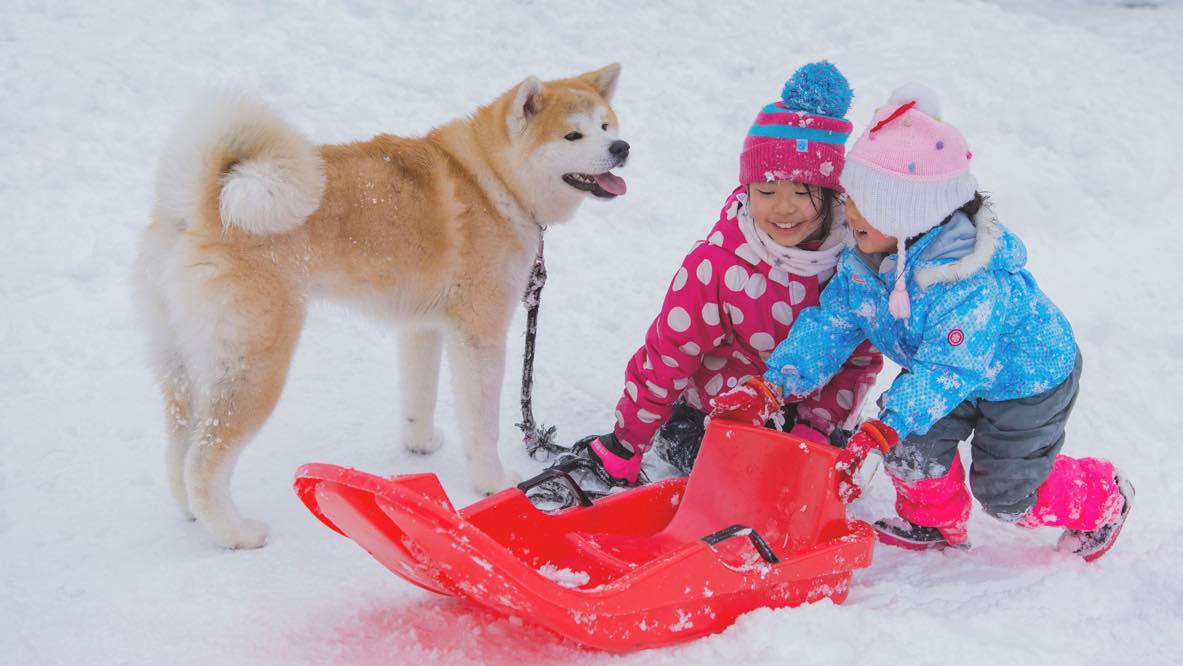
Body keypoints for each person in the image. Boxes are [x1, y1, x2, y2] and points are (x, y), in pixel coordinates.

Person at [717, 84, 1133, 561]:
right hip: (944, 370)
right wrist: (773, 386)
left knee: (1008, 496)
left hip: (1024, 381)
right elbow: (830, 324)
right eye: (850, 198)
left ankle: (1104, 497)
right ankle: (933, 522)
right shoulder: (868, 260)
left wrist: (882, 426)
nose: (847, 213)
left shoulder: (966, 283)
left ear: (907, 215)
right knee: (911, 446)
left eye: (863, 206)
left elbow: (945, 372)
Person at [546, 62, 882, 498]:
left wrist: (813, 431)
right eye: (765, 191)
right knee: (725, 469)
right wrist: (624, 445)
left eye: (802, 192)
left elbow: (856, 361)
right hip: (717, 412)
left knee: (807, 481)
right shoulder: (720, 264)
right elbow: (668, 354)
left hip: (807, 415)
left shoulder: (854, 268)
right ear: (746, 190)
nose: (783, 208)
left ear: (832, 192)